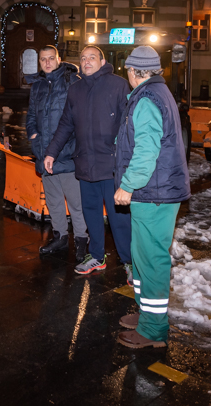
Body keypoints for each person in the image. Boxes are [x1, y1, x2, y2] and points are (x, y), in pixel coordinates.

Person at [113, 46, 191, 348]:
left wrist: (128, 184)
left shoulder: (146, 99)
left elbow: (147, 151)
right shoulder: (158, 92)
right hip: (156, 191)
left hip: (153, 192)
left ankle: (152, 330)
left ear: (133, 72)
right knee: (142, 257)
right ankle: (147, 313)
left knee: (152, 260)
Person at [44, 45, 132, 280]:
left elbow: (127, 125)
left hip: (111, 165)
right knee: (91, 213)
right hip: (85, 165)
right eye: (83, 59)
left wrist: (124, 156)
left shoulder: (118, 85)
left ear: (102, 62)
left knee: (118, 217)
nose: (87, 62)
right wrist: (51, 152)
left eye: (92, 57)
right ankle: (96, 256)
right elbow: (65, 125)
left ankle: (129, 261)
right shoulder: (76, 90)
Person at [26, 45, 89, 261]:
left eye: (51, 58)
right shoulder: (37, 86)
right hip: (44, 154)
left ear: (59, 59)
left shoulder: (72, 81)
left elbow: (79, 118)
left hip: (66, 154)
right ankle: (60, 236)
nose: (47, 63)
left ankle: (82, 240)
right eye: (43, 59)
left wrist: (70, 145)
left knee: (75, 202)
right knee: (53, 201)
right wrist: (34, 139)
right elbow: (31, 118)